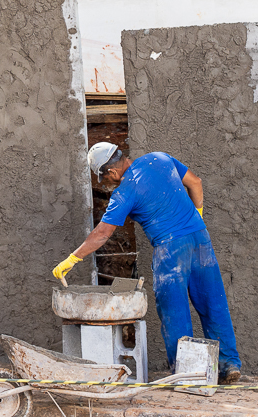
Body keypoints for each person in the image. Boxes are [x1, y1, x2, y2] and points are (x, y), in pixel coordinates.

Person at [52, 142, 241, 383]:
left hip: (170, 249)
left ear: (110, 172)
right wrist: (198, 216)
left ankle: (186, 376)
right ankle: (229, 366)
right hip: (200, 239)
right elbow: (196, 182)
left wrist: (73, 258)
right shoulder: (160, 157)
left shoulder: (125, 192)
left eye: (106, 179)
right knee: (214, 303)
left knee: (175, 312)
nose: (109, 184)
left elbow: (102, 233)